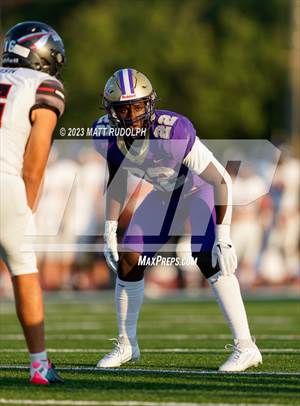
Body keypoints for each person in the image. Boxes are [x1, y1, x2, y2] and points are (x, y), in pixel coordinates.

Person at [93, 68, 262, 372]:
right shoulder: (106, 135)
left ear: (150, 105)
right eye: (123, 108)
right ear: (111, 112)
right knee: (130, 258)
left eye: (137, 106)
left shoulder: (173, 130)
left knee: (209, 256)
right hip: (164, 195)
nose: (131, 115)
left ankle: (246, 347)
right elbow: (116, 181)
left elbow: (221, 179)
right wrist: (109, 228)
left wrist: (222, 236)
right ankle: (126, 345)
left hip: (199, 190)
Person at [0, 21, 65, 384]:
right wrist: (27, 210)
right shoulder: (44, 86)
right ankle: (40, 366)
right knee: (24, 273)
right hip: (5, 182)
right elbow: (34, 164)